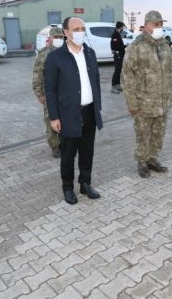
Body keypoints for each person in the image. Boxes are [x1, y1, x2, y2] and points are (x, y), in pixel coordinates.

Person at [44, 17, 103, 205]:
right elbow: (50, 89)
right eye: (76, 29)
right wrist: (54, 117)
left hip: (89, 112)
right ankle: (68, 188)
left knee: (87, 152)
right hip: (68, 114)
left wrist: (97, 108)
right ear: (66, 33)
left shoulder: (90, 54)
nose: (81, 32)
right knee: (68, 154)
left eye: (83, 28)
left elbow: (96, 81)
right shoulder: (55, 57)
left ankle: (85, 184)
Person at [121, 10, 172, 178]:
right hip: (144, 102)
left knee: (159, 132)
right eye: (156, 24)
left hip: (162, 101)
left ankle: (152, 158)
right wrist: (132, 103)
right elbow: (127, 77)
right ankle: (142, 161)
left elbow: (169, 72)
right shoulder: (136, 47)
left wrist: (169, 95)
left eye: (161, 24)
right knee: (143, 133)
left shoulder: (164, 45)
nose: (159, 27)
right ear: (146, 26)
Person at [32, 26, 65, 158]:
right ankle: (55, 146)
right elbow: (37, 75)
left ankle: (64, 143)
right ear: (50, 39)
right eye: (56, 37)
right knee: (50, 119)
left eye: (60, 37)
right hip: (49, 95)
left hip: (65, 95)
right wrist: (39, 94)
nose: (58, 39)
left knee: (65, 120)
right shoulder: (44, 54)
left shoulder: (66, 52)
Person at [110, 21, 127, 94]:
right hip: (118, 55)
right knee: (117, 70)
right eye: (122, 27)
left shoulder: (118, 34)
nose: (123, 28)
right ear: (120, 27)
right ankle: (113, 86)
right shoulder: (115, 35)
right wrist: (125, 46)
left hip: (120, 55)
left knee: (119, 70)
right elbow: (115, 46)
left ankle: (117, 85)